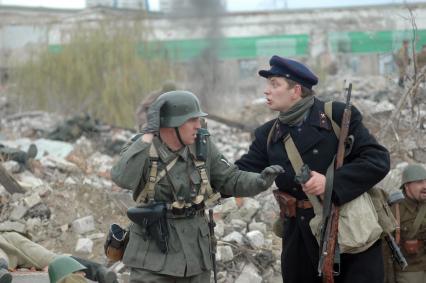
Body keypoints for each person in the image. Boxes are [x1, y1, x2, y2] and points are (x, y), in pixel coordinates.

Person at [234, 55, 390, 283]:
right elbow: (241, 172)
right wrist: (206, 169)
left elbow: (377, 160)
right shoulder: (267, 134)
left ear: (296, 90)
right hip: (299, 237)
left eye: (274, 84)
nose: (266, 91)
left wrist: (330, 183)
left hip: (348, 230)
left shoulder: (338, 116)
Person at [110, 90, 283, 283]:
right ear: (171, 124)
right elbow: (120, 177)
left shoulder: (202, 145)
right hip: (153, 252)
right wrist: (148, 134)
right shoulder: (143, 146)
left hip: (195, 251)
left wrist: (259, 181)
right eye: (191, 120)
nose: (198, 125)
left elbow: (230, 178)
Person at [0, 231, 117, 283]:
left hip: (8, 239)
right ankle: (99, 271)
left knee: (53, 258)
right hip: (9, 237)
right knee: (54, 258)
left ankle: (1, 271)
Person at [394, 164, 426, 283]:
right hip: (410, 271)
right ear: (407, 186)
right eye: (419, 182)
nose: (425, 186)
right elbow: (386, 250)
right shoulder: (396, 209)